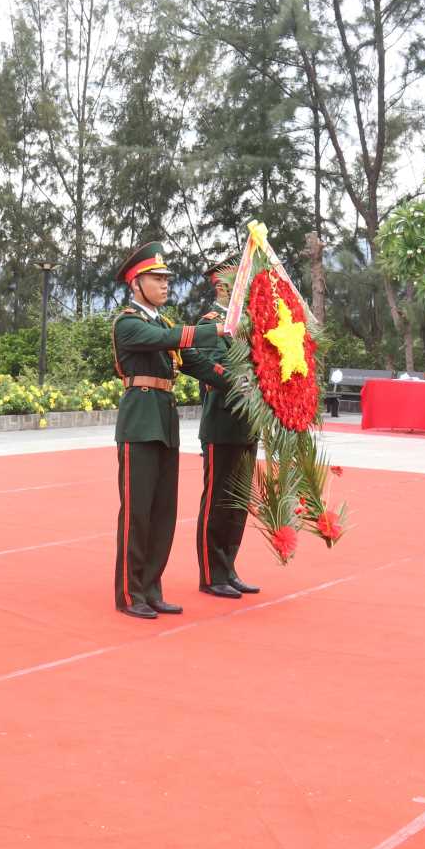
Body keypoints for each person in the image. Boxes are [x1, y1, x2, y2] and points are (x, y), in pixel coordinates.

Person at [111, 242, 226, 620]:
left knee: (163, 512)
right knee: (137, 513)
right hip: (140, 423)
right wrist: (217, 330)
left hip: (164, 423)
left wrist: (240, 383)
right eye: (156, 279)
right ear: (135, 283)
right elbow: (168, 340)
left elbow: (196, 363)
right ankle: (131, 593)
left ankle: (152, 588)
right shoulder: (129, 323)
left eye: (166, 279)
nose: (165, 285)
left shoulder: (162, 324)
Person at [194, 256, 261, 599]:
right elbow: (214, 368)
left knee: (238, 503)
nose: (240, 289)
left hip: (248, 424)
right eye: (234, 283)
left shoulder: (250, 324)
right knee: (218, 500)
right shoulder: (210, 323)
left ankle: (229, 567)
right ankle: (211, 572)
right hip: (222, 423)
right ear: (221, 286)